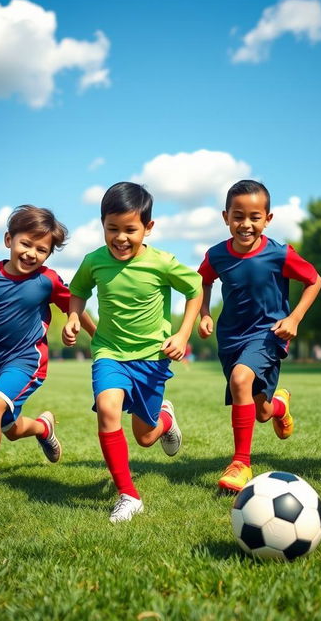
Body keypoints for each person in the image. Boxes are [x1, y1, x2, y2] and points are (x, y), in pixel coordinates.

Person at [0, 205, 95, 514]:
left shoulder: (48, 280)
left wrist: (91, 332)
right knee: (8, 428)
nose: (31, 253)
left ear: (48, 255)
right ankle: (42, 428)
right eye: (26, 243)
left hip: (26, 362)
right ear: (8, 239)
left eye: (42, 249)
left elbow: (74, 306)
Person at [62, 182, 202, 523]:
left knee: (145, 437)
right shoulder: (94, 261)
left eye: (130, 230)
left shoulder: (162, 262)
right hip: (109, 352)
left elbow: (195, 289)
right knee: (108, 409)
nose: (120, 238)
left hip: (152, 360)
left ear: (148, 228)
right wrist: (71, 316)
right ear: (102, 225)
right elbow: (77, 291)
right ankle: (128, 494)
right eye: (112, 229)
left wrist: (183, 335)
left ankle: (165, 419)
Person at [198, 180, 321, 493]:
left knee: (240, 380)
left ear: (268, 219)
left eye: (255, 217)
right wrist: (204, 314)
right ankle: (279, 405)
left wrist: (294, 318)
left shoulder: (280, 254)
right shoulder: (216, 256)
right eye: (238, 216)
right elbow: (202, 282)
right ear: (226, 217)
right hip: (230, 339)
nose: (246, 224)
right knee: (261, 412)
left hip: (268, 334)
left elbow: (314, 280)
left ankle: (240, 463)